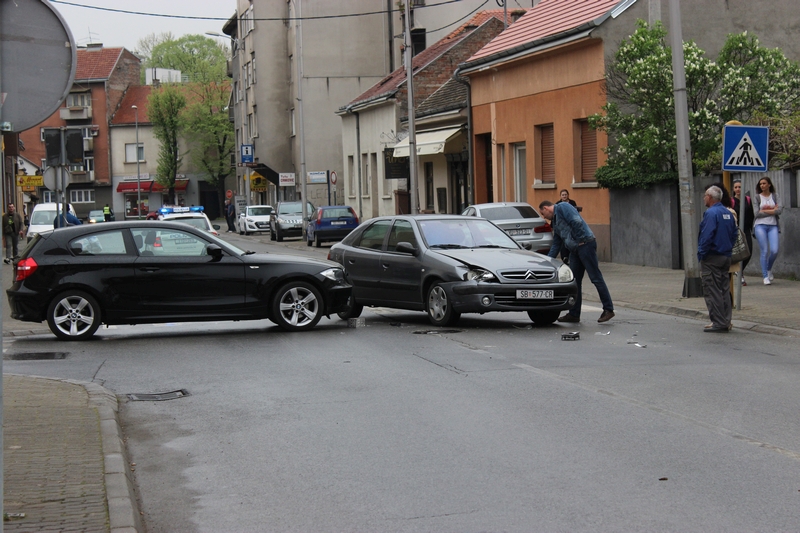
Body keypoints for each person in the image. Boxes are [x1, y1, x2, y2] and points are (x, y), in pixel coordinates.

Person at [539, 200, 615, 323]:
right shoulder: (555, 222)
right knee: (574, 281)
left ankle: (608, 309)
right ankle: (574, 314)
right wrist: (549, 260)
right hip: (575, 250)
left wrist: (580, 240)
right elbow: (557, 243)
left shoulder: (563, 207)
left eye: (543, 214)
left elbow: (576, 222)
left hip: (585, 245)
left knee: (595, 277)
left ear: (547, 208)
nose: (544, 217)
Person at [697, 185, 738, 332]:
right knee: (724, 289)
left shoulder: (711, 213)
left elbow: (707, 235)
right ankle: (726, 320)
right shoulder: (727, 212)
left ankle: (718, 322)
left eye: (705, 196)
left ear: (709, 197)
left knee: (712, 289)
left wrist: (702, 252)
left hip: (712, 256)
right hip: (725, 256)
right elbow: (734, 234)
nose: (703, 198)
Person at [752, 176, 782, 285]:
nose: (762, 185)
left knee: (774, 250)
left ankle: (769, 269)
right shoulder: (757, 197)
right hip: (760, 225)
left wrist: (766, 210)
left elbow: (779, 210)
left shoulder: (775, 196)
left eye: (764, 183)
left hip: (773, 225)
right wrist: (772, 210)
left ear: (769, 184)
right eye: (760, 184)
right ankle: (765, 276)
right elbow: (757, 213)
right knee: (764, 251)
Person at [732, 179, 754, 285]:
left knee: (748, 251)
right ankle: (740, 273)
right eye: (736, 187)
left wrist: (752, 227)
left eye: (740, 187)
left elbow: (751, 214)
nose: (738, 189)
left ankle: (739, 270)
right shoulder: (732, 201)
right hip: (735, 230)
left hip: (746, 229)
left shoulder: (748, 200)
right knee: (738, 251)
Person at [555, 189, 579, 264]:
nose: (564, 196)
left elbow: (576, 213)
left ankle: (571, 256)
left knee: (571, 240)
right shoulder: (558, 204)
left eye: (565, 194)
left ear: (568, 195)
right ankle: (564, 257)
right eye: (563, 195)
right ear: (560, 196)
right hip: (562, 226)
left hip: (571, 225)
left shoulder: (572, 203)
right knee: (563, 242)